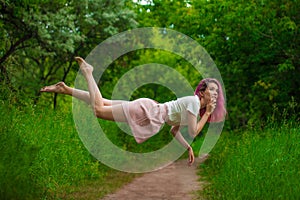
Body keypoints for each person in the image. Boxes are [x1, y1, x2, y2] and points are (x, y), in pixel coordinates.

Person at [40, 57, 226, 165]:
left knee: (102, 102)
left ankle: (65, 89)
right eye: (212, 90)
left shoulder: (193, 106)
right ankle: (88, 72)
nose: (215, 94)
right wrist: (208, 113)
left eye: (217, 91)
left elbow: (174, 129)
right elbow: (194, 131)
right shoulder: (194, 102)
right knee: (98, 109)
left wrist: (188, 147)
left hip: (151, 110)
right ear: (202, 92)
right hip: (149, 112)